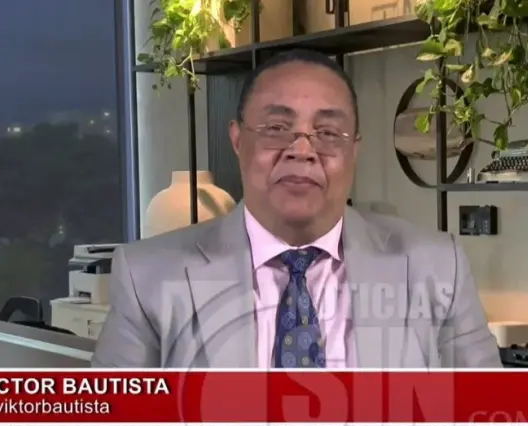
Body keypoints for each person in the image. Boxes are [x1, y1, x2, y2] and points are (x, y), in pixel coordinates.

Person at [92, 49, 502, 370]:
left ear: (354, 150)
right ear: (237, 141)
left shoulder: (437, 267)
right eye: (276, 129)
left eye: (328, 132)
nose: (302, 151)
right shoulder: (148, 277)